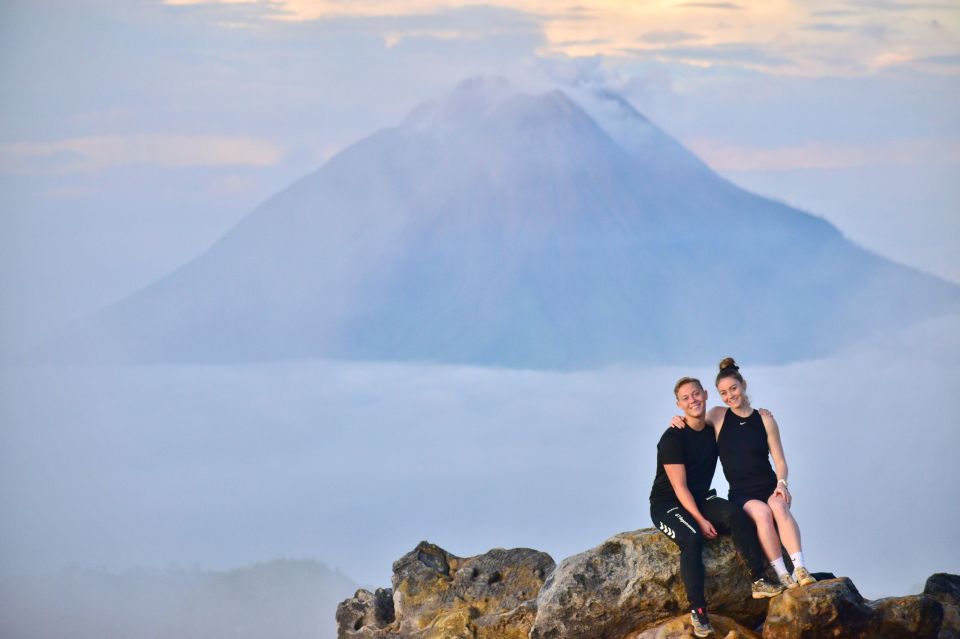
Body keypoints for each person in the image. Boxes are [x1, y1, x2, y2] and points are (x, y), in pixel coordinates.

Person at [651, 376, 784, 638]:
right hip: (668, 504)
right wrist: (700, 520)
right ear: (679, 405)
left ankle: (759, 579)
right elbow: (680, 488)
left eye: (696, 394)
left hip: (701, 498)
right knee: (691, 538)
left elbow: (740, 419)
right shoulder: (672, 439)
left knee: (736, 513)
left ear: (705, 395)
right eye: (686, 398)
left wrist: (763, 414)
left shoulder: (714, 428)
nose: (693, 401)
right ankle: (699, 612)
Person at [673, 358, 817, 590]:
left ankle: (800, 567)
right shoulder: (718, 416)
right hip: (742, 494)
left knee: (778, 507)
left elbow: (780, 461)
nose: (730, 396)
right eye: (724, 393)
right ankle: (783, 575)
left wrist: (781, 484)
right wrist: (677, 419)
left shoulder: (765, 419)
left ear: (743, 385)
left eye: (733, 389)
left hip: (769, 486)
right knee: (762, 514)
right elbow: (694, 419)